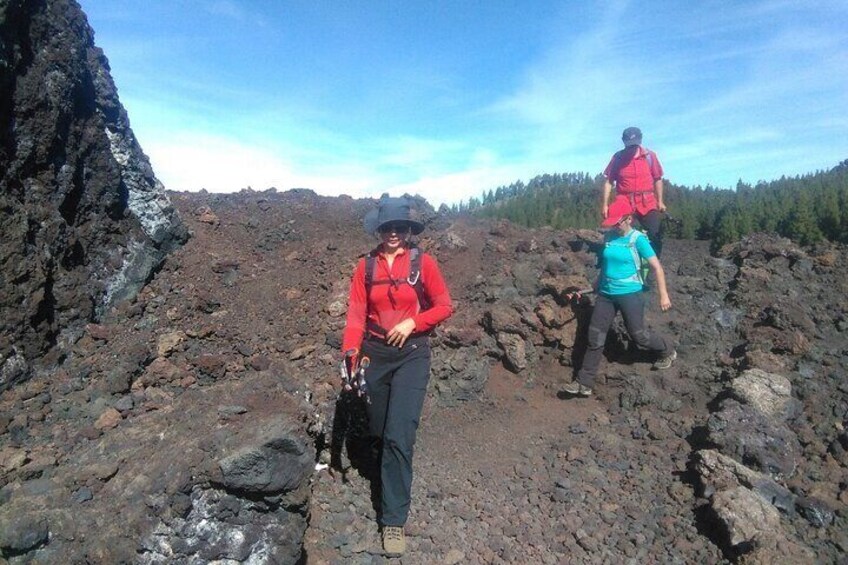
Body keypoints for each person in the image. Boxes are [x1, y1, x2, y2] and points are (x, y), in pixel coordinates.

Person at [341, 195, 453, 556]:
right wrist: (350, 352)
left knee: (398, 436)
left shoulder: (424, 263)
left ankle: (393, 520)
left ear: (408, 230)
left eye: (400, 228)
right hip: (375, 353)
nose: (393, 233)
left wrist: (413, 322)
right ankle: (386, 474)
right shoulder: (366, 268)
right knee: (377, 429)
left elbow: (444, 306)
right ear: (379, 229)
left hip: (412, 355)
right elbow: (357, 312)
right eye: (387, 227)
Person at [563, 199, 676, 397]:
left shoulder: (638, 240)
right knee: (595, 337)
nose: (615, 226)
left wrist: (664, 295)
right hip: (606, 294)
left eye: (618, 222)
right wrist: (595, 286)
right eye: (612, 223)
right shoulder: (609, 237)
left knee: (638, 334)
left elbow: (657, 267)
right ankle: (584, 382)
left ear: (628, 219)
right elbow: (606, 265)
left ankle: (667, 350)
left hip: (630, 293)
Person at [602, 126, 667, 258]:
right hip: (624, 200)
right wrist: (605, 204)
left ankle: (652, 266)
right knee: (619, 232)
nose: (632, 148)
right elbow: (609, 181)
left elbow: (657, 178)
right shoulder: (618, 158)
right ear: (623, 141)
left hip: (647, 201)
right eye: (629, 144)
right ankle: (619, 261)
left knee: (655, 234)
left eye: (634, 144)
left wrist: (660, 201)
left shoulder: (650, 156)